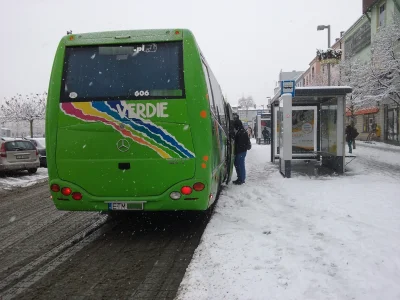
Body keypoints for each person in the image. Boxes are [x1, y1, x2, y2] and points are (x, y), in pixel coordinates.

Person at [233, 119, 250, 185]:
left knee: (240, 165)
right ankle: (239, 178)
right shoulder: (241, 131)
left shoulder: (241, 132)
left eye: (235, 125)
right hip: (240, 151)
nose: (235, 127)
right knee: (238, 164)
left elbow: (240, 143)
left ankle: (241, 179)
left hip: (241, 151)